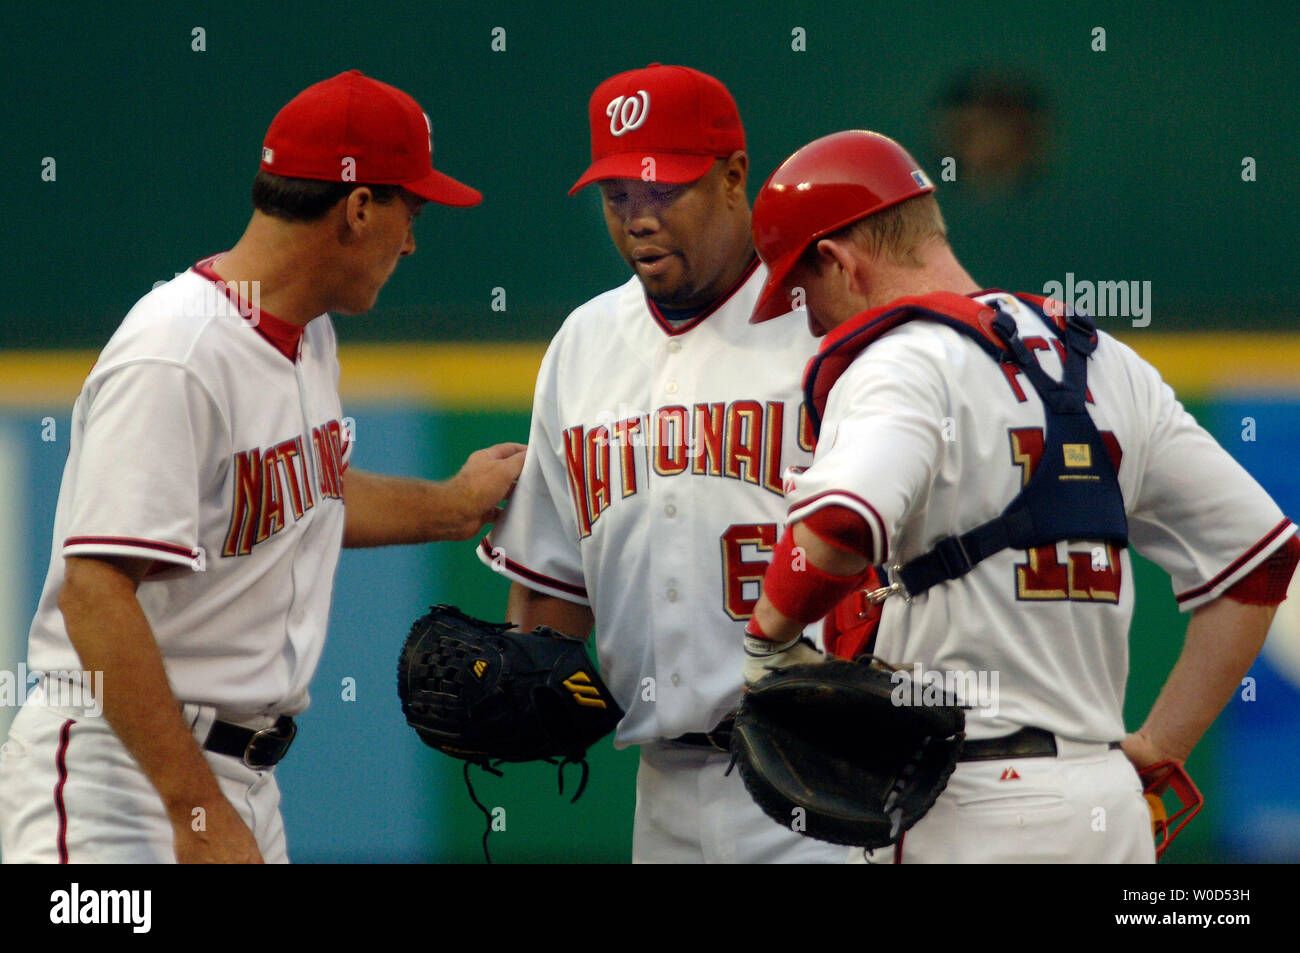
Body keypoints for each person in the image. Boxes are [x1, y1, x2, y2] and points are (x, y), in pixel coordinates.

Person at [0, 70, 525, 864]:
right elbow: (95, 592)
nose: (413, 239)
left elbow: (312, 492)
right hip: (120, 776)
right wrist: (196, 811)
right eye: (410, 209)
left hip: (233, 775)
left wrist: (451, 507)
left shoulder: (306, 332)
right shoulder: (176, 354)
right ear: (357, 208)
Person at [741, 129, 1299, 863]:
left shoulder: (899, 361)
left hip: (963, 809)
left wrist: (768, 639)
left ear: (838, 260)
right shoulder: (1104, 359)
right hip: (1104, 804)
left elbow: (842, 523)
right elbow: (1260, 558)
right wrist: (1161, 745)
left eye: (802, 291)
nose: (807, 319)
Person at [477, 64, 842, 863]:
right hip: (664, 786)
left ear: (735, 176)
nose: (639, 219)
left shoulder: (825, 324)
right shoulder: (582, 343)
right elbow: (551, 589)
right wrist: (520, 679)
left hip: (824, 774)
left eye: (663, 191)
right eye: (618, 198)